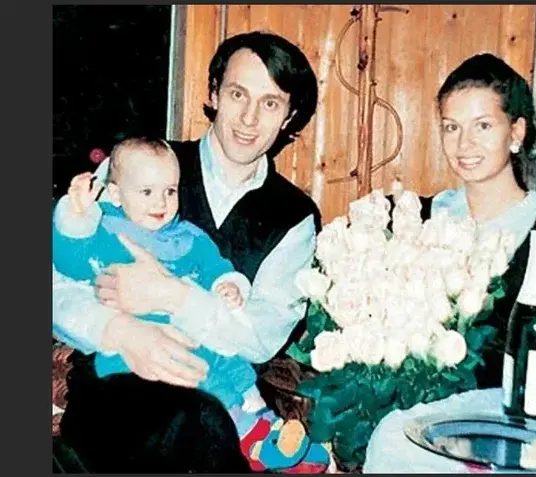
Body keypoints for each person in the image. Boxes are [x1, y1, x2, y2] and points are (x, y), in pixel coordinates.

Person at [53, 31, 330, 473]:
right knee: (190, 425)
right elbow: (56, 285)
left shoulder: (294, 218)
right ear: (214, 94)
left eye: (270, 103)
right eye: (238, 94)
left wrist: (172, 296)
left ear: (289, 116)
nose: (249, 118)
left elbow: (261, 336)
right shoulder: (138, 164)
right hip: (115, 386)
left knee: (203, 423)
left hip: (218, 391)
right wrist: (121, 331)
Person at [418, 52, 536, 388]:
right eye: (452, 127)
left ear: (516, 132)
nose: (464, 144)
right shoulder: (418, 219)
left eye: (483, 126)